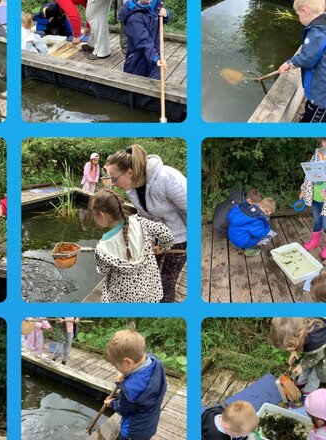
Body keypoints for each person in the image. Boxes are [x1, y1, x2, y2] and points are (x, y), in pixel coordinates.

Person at [104, 145, 186, 303]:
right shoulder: (131, 188)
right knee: (149, 276)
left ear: (129, 172)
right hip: (157, 238)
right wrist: (149, 239)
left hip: (180, 239)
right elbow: (145, 216)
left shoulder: (167, 177)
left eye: (114, 179)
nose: (114, 184)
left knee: (166, 282)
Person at [89, 189, 173, 303]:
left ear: (102, 216)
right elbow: (166, 233)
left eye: (94, 216)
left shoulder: (102, 248)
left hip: (122, 296)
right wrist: (162, 247)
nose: (94, 219)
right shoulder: (139, 222)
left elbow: (103, 271)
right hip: (148, 289)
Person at [278, 0, 326, 122]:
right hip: (323, 90)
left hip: (325, 97)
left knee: (314, 121)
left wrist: (290, 63)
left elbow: (306, 59)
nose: (298, 18)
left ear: (305, 11)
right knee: (310, 110)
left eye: (298, 14)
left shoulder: (317, 33)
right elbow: (310, 54)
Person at [103, 324, 166, 440]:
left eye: (116, 365)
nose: (116, 368)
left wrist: (111, 403)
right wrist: (126, 374)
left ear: (128, 362)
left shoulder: (130, 389)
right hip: (149, 425)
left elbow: (123, 409)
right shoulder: (156, 362)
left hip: (132, 432)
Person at [270, 318, 326, 397]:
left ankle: (308, 393)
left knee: (315, 375)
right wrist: (293, 351)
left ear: (301, 333)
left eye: (290, 346)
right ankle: (301, 383)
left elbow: (317, 356)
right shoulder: (296, 327)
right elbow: (311, 357)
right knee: (305, 367)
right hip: (315, 352)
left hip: (325, 353)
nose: (288, 349)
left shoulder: (314, 341)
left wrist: (301, 366)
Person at [119, 0, 169, 79]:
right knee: (135, 84)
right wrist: (155, 58)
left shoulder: (155, 4)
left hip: (155, 55)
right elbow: (143, 41)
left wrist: (166, 14)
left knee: (155, 84)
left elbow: (162, 17)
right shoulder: (134, 17)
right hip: (138, 59)